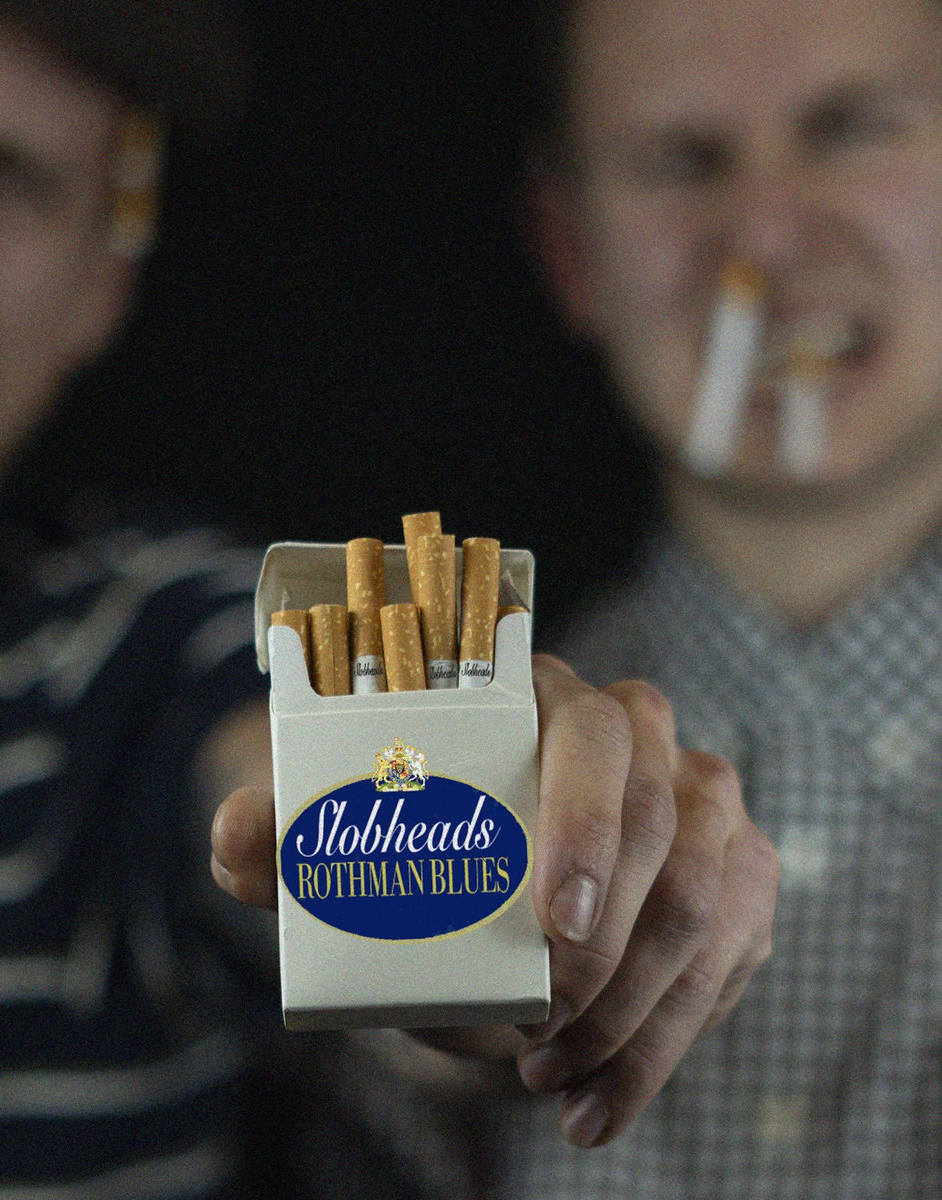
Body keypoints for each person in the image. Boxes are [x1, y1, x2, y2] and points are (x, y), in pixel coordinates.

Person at [0, 0, 778, 1196]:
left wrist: (517, 881)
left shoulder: (132, 653)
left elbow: (276, 774)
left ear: (101, 281)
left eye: (13, 179)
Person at [492, 0, 942, 1193]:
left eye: (851, 129)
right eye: (682, 162)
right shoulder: (465, 782)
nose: (768, 243)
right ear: (570, 249)